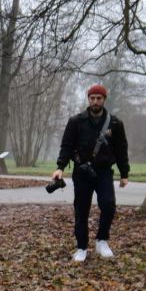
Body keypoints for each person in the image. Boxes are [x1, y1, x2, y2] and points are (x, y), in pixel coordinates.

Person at [51, 84, 129, 263]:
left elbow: (121, 149)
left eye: (99, 98)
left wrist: (124, 173)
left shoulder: (115, 123)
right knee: (81, 210)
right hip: (81, 172)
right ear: (88, 99)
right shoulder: (76, 121)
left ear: (104, 99)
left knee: (108, 205)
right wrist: (60, 167)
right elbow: (67, 146)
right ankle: (82, 247)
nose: (95, 101)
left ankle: (102, 240)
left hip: (104, 172)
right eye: (92, 98)